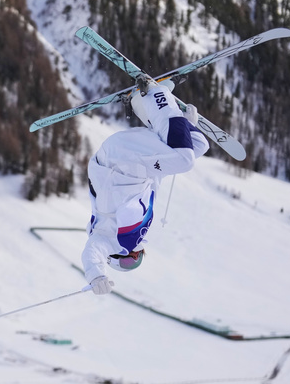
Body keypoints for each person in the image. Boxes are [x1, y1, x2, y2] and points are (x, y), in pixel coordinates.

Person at [83, 77, 210, 294]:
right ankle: (142, 103)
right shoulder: (140, 224)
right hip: (134, 163)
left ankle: (155, 93)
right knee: (198, 146)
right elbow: (155, 179)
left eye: (125, 263)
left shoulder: (110, 238)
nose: (133, 258)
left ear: (114, 258)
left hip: (119, 161)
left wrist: (96, 275)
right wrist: (183, 127)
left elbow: (91, 252)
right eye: (135, 263)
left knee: (184, 159)